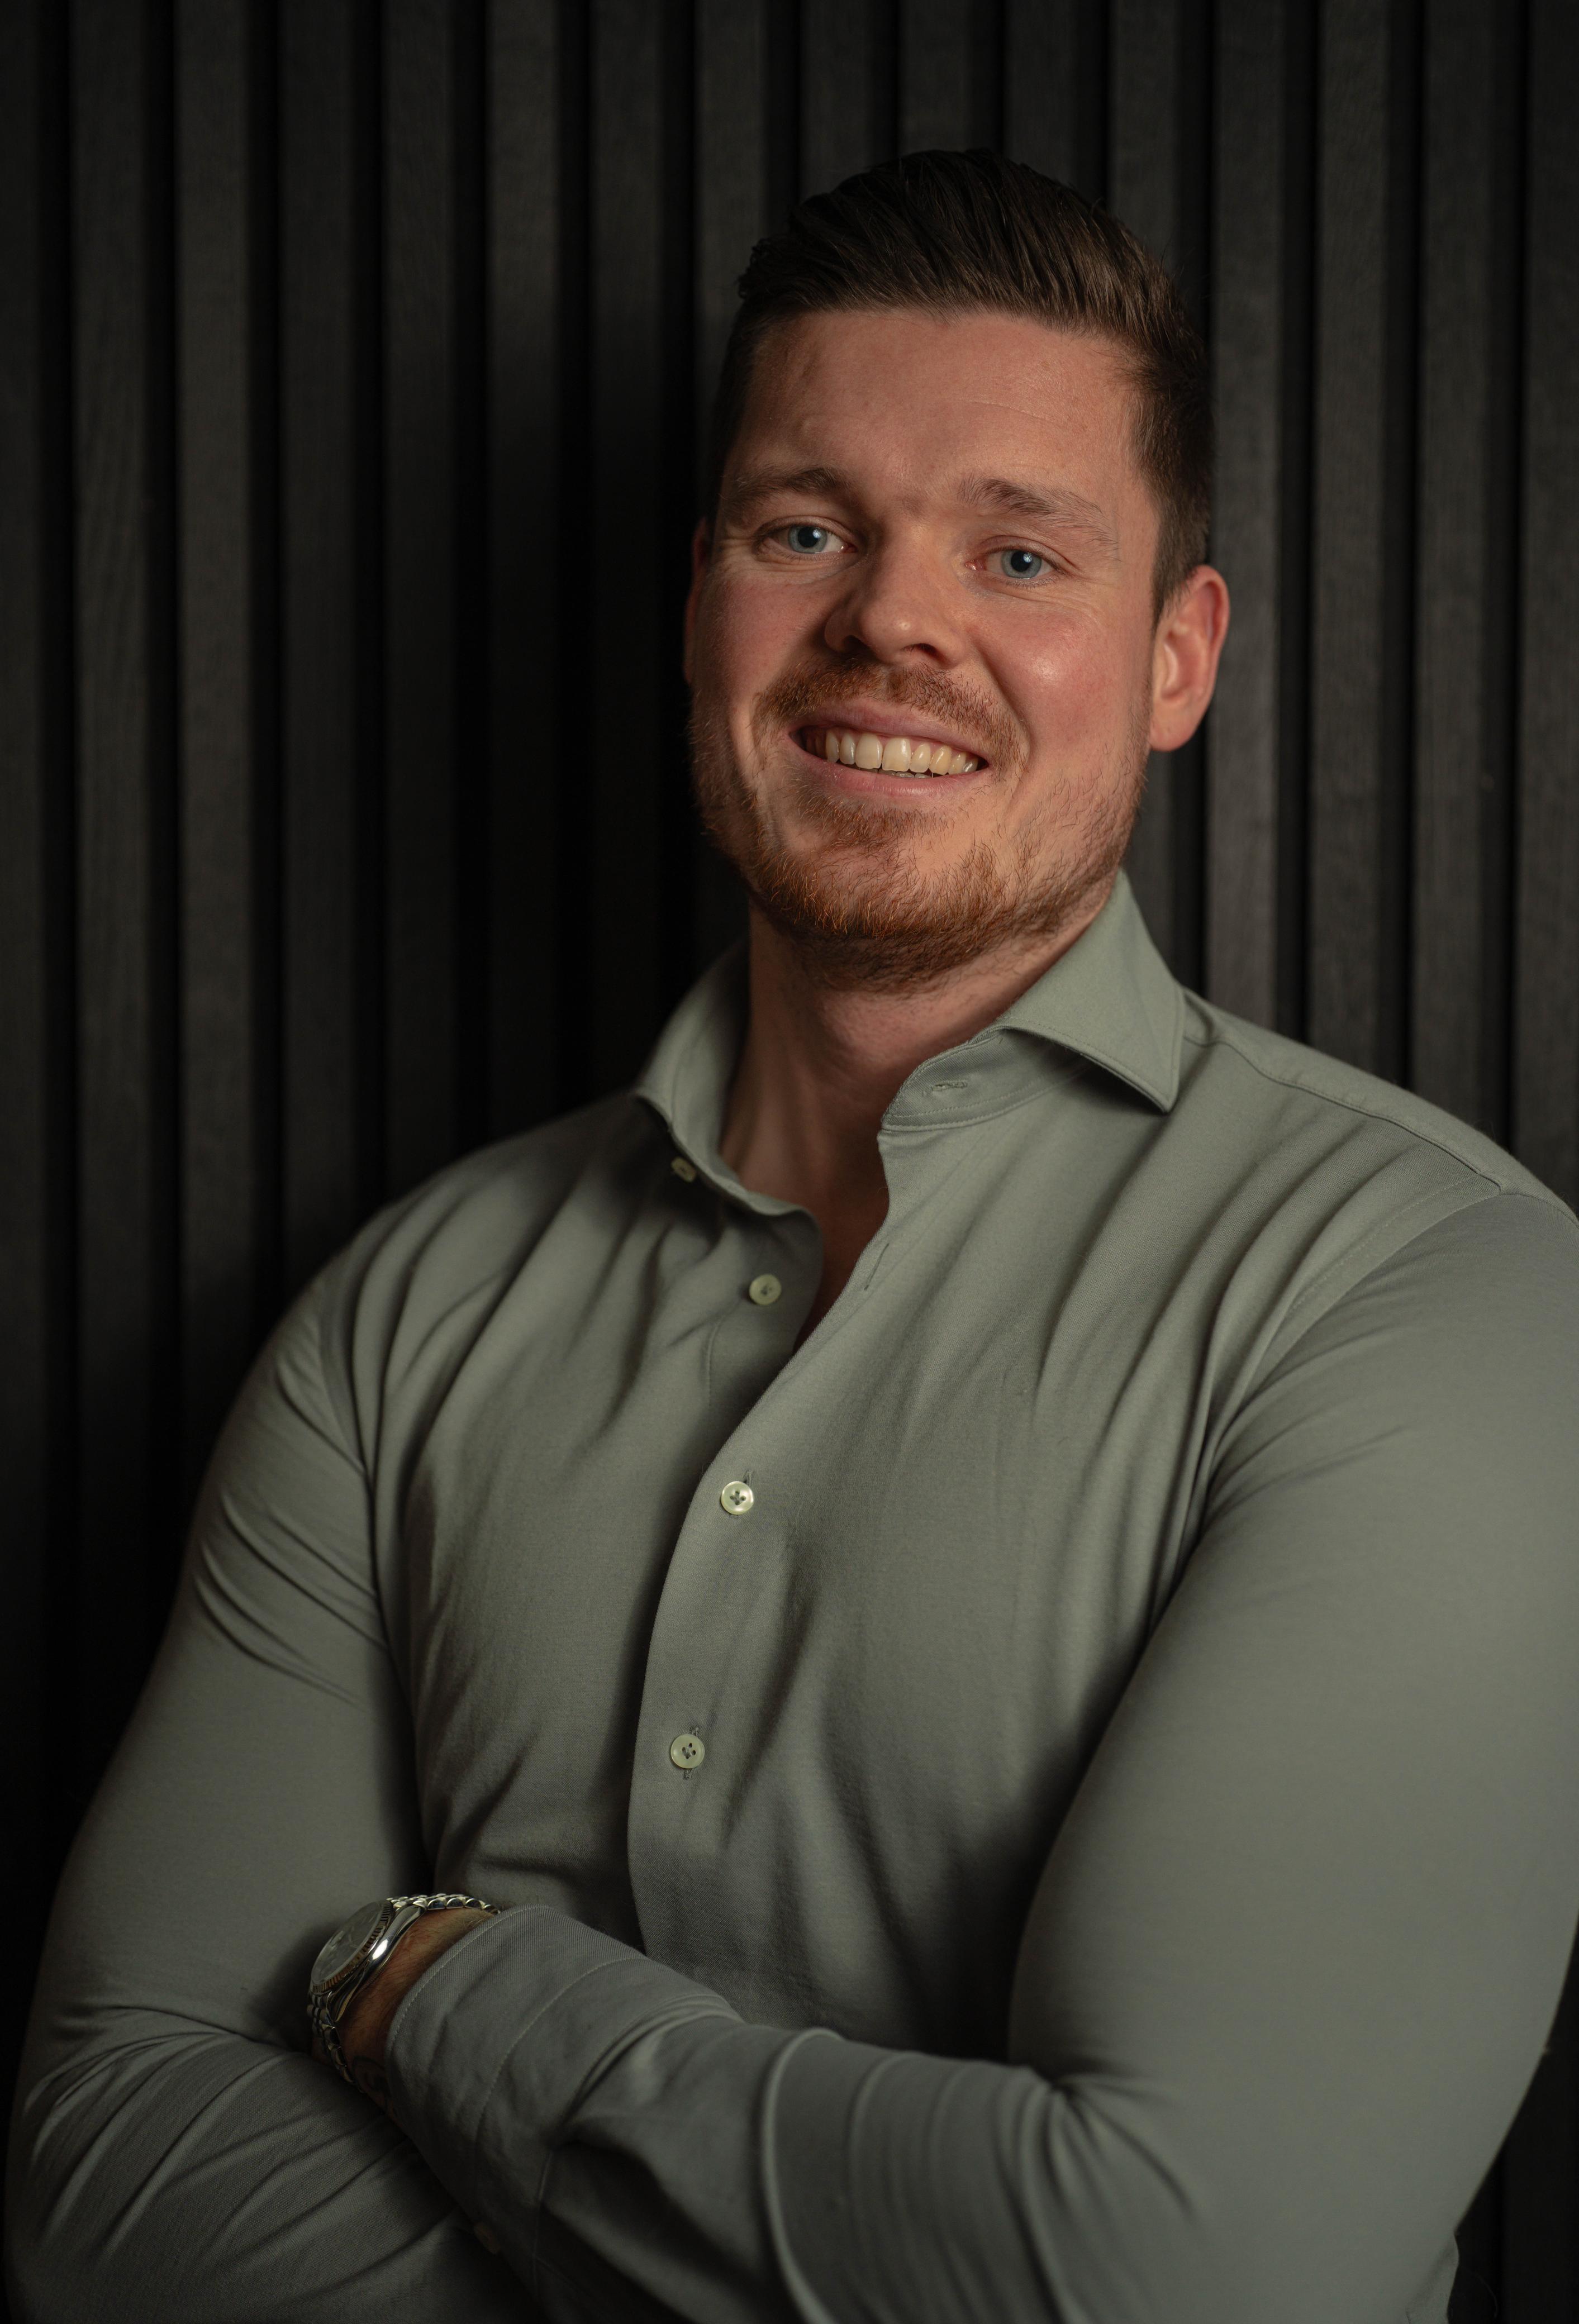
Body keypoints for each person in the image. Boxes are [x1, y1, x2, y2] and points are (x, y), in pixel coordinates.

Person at [8, 149, 1579, 2324]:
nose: (891, 622)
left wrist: (437, 1981)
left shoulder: (1433, 1297)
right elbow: (103, 2168)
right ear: (702, 605)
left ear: (1173, 657)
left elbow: (1190, 2273)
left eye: (1015, 551)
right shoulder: (406, 1311)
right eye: (804, 529)